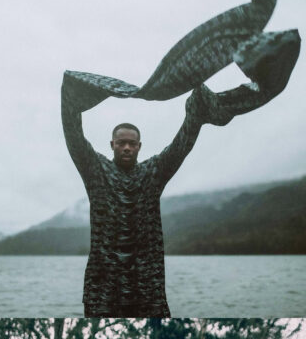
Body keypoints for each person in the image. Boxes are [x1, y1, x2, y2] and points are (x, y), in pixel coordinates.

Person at [62, 83, 219, 318]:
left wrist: (196, 109)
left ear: (139, 147)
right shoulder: (95, 169)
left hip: (146, 286)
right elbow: (73, 134)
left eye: (132, 144)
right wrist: (72, 97)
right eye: (121, 143)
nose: (126, 148)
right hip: (104, 286)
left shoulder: (153, 171)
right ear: (112, 145)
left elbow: (181, 145)